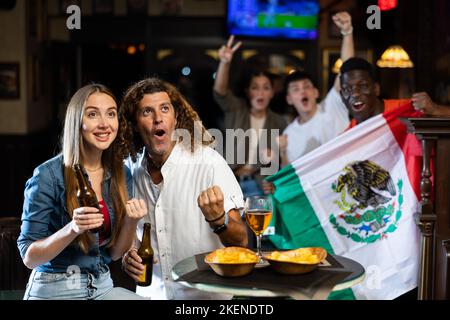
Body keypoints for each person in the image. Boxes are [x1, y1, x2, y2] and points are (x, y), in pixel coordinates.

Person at [119, 77, 248, 299]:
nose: (158, 118)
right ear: (134, 123)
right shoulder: (128, 170)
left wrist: (219, 221)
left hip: (204, 298)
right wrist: (127, 256)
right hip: (152, 294)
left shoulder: (208, 162)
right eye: (147, 112)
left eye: (165, 109)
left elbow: (241, 241)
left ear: (175, 117)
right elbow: (130, 233)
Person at [17, 84, 147, 300]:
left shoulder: (122, 174)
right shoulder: (48, 175)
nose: (105, 124)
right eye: (93, 114)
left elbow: (115, 254)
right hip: (55, 288)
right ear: (77, 122)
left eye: (111, 114)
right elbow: (29, 257)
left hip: (102, 285)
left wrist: (131, 222)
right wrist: (73, 228)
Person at [213, 35, 287, 197]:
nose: (260, 92)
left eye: (266, 88)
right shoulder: (236, 109)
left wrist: (274, 180)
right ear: (248, 91)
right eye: (255, 87)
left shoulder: (279, 122)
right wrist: (225, 62)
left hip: (261, 187)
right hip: (231, 183)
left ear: (272, 93)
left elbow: (283, 163)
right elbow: (220, 92)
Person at [280, 11, 353, 166]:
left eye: (307, 86)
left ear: (316, 92)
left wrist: (347, 32)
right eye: (295, 89)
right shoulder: (288, 134)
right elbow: (293, 177)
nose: (302, 91)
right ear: (289, 99)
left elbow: (347, 70)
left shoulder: (332, 106)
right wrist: (282, 152)